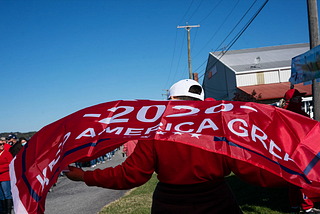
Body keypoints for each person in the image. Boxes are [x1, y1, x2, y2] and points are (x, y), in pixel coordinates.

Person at [65, 79, 243, 214]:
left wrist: (84, 176)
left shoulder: (156, 130)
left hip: (171, 204)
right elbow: (249, 163)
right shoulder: (221, 126)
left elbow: (130, 175)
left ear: (171, 99)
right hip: (219, 201)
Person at [283, 88, 320, 214]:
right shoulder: (298, 114)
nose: (301, 100)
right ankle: (307, 207)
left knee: (292, 179)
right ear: (293, 100)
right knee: (303, 178)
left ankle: (294, 205)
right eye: (299, 98)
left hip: (286, 151)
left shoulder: (283, 113)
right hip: (300, 152)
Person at [0, 140, 13, 214]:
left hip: (5, 177)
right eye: (0, 144)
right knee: (1, 195)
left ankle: (8, 211)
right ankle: (3, 211)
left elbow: (10, 164)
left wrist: (1, 168)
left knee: (6, 194)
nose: (2, 145)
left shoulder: (7, 153)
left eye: (3, 144)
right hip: (0, 177)